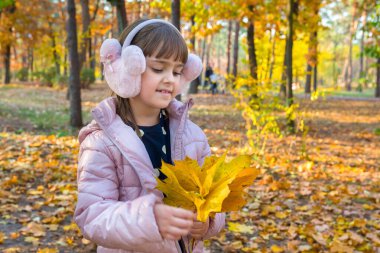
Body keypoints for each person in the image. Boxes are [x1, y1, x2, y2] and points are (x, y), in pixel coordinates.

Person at [74, 19, 225, 253]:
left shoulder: (193, 137)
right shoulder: (101, 143)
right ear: (127, 69)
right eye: (158, 68)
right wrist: (149, 219)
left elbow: (215, 198)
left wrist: (208, 220)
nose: (170, 79)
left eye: (177, 71)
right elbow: (92, 216)